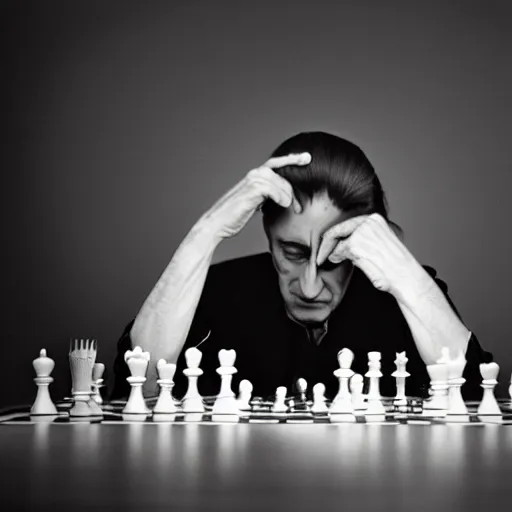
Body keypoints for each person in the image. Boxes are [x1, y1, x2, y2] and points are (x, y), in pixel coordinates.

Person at [112, 131, 491, 401]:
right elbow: (135, 389)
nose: (309, 287)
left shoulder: (411, 296)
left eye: (332, 258)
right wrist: (205, 233)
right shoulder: (211, 294)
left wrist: (409, 277)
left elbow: (477, 397)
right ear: (266, 229)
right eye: (292, 252)